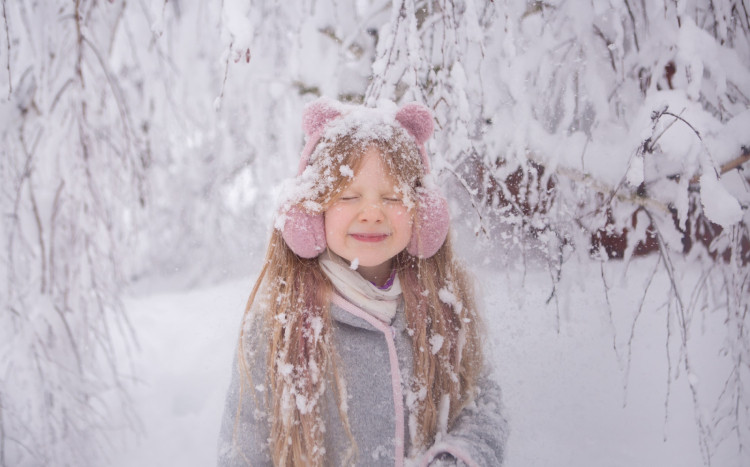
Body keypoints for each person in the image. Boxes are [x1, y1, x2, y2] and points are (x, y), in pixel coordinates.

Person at [218, 98, 507, 466]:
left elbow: (482, 405)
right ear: (311, 210)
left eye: (392, 196)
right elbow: (240, 450)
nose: (372, 213)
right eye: (348, 196)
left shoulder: (441, 304)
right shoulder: (278, 324)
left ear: (424, 212)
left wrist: (457, 458)